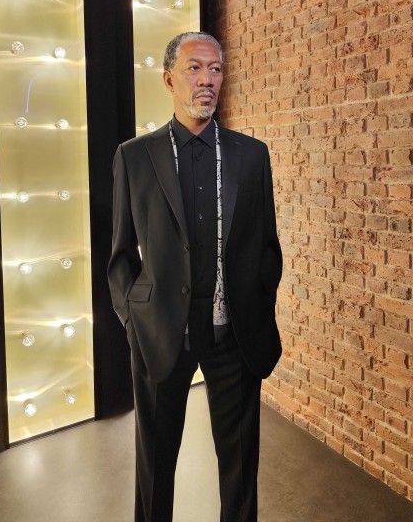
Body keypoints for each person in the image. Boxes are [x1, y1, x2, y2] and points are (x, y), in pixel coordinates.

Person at [108, 32, 282, 522]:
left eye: (216, 69)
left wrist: (257, 306)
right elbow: (120, 256)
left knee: (240, 469)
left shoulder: (252, 155)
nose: (207, 79)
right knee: (155, 466)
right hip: (163, 335)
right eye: (194, 68)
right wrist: (134, 321)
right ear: (169, 79)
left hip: (235, 338)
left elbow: (268, 247)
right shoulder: (134, 157)